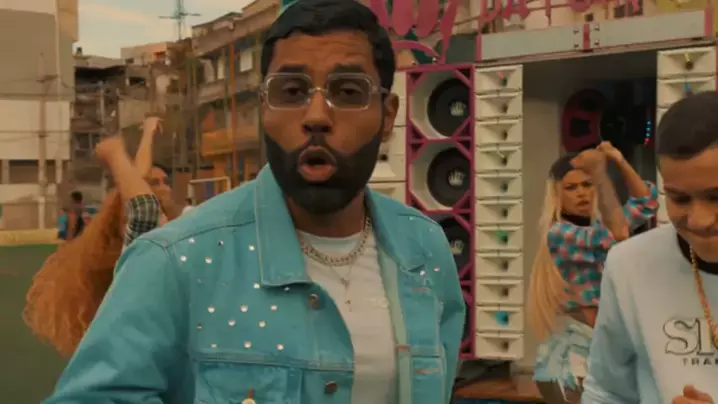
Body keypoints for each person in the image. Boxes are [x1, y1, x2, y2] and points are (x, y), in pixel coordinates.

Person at [42, 1, 465, 403]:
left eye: (349, 91)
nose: (317, 115)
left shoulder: (425, 251)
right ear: (263, 107)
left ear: (388, 115)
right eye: (292, 90)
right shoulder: (175, 262)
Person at [582, 92, 718, 403]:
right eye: (679, 199)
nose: (699, 220)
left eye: (716, 197)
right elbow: (606, 391)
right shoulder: (630, 265)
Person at [24, 116, 181, 357]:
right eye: (155, 182)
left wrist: (148, 133)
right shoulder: (140, 233)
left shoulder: (175, 222)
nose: (164, 187)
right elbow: (143, 204)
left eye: (165, 182)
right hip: (144, 346)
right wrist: (116, 155)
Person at [526, 142, 658, 404]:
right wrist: (599, 175)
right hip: (573, 363)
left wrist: (619, 160)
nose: (582, 193)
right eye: (571, 187)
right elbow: (617, 233)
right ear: (556, 194)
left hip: (600, 354)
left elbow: (647, 203)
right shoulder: (559, 233)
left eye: (587, 185)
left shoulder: (597, 227)